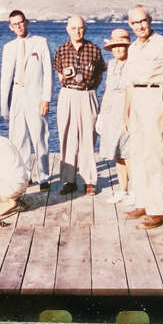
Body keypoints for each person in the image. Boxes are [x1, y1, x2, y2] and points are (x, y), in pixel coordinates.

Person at [123, 5, 163, 229]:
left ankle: (158, 209)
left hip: (155, 98)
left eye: (143, 21)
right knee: (137, 154)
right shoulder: (134, 48)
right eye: (135, 23)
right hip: (136, 99)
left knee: (156, 155)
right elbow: (129, 84)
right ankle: (143, 202)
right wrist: (126, 113)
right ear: (130, 25)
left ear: (150, 20)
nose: (139, 26)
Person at [0, 10, 52, 191]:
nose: (18, 26)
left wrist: (46, 99)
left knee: (40, 137)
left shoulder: (40, 42)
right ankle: (25, 176)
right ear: (10, 27)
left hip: (36, 97)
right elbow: (5, 78)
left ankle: (44, 177)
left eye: (21, 22)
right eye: (14, 24)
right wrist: (4, 107)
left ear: (26, 22)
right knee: (18, 139)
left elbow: (48, 74)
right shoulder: (9, 48)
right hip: (17, 96)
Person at [53, 16, 106, 195]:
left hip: (87, 94)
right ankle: (69, 180)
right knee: (67, 136)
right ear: (68, 29)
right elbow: (60, 76)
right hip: (68, 94)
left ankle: (89, 180)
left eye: (81, 28)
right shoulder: (61, 50)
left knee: (88, 138)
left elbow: (99, 75)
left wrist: (90, 90)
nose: (77, 31)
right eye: (74, 28)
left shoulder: (94, 49)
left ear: (85, 29)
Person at [97, 28, 131, 204]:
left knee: (129, 152)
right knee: (117, 152)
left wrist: (128, 116)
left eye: (122, 46)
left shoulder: (132, 64)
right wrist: (101, 114)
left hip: (126, 110)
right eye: (115, 46)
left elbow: (130, 91)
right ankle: (122, 190)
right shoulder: (111, 64)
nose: (118, 49)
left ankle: (134, 191)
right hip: (111, 111)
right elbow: (108, 90)